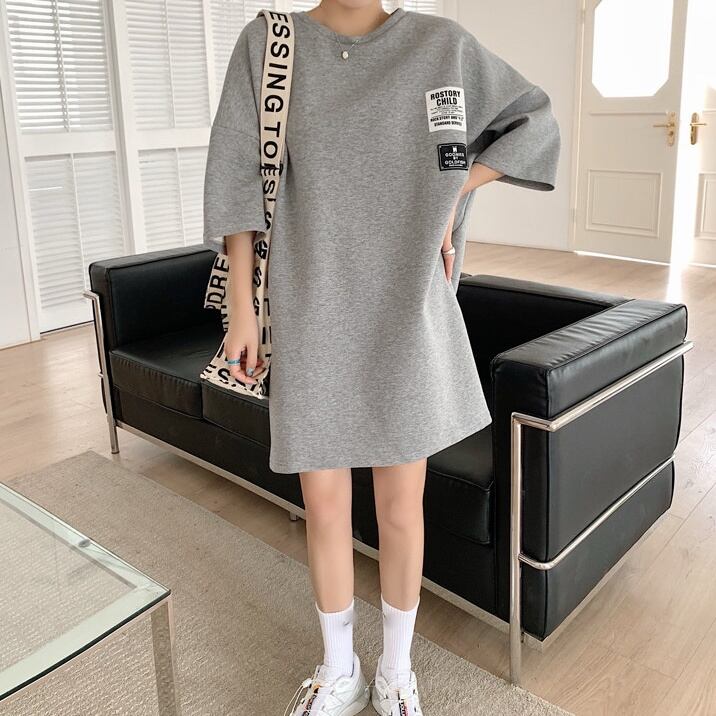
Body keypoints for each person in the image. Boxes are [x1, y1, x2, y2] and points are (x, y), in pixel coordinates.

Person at [202, 1, 560, 714]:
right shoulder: (270, 44)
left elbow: (533, 121)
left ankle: (397, 668)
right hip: (309, 307)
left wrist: (454, 187)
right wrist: (242, 307)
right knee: (324, 503)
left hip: (408, 313)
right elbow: (236, 173)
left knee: (400, 507)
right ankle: (340, 668)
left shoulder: (441, 45)